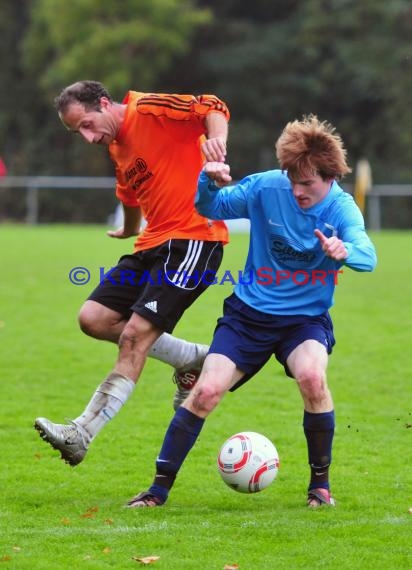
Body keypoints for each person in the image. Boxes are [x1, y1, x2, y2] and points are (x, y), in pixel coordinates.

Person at [127, 114, 377, 509]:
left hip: (303, 322)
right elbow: (210, 206)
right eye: (292, 180)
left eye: (307, 183)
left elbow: (368, 254)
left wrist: (346, 251)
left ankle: (320, 488)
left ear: (330, 177)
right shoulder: (266, 187)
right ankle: (157, 491)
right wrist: (208, 178)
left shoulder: (342, 210)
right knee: (206, 391)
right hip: (247, 316)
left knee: (313, 377)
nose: (297, 191)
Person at [34, 80, 230, 466]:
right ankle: (191, 358)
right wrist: (128, 228)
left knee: (135, 335)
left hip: (193, 239)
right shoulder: (117, 147)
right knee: (93, 318)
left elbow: (213, 106)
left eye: (88, 125)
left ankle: (81, 432)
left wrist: (216, 147)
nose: (88, 138)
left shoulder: (148, 109)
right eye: (79, 133)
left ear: (105, 104)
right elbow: (129, 193)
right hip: (150, 244)